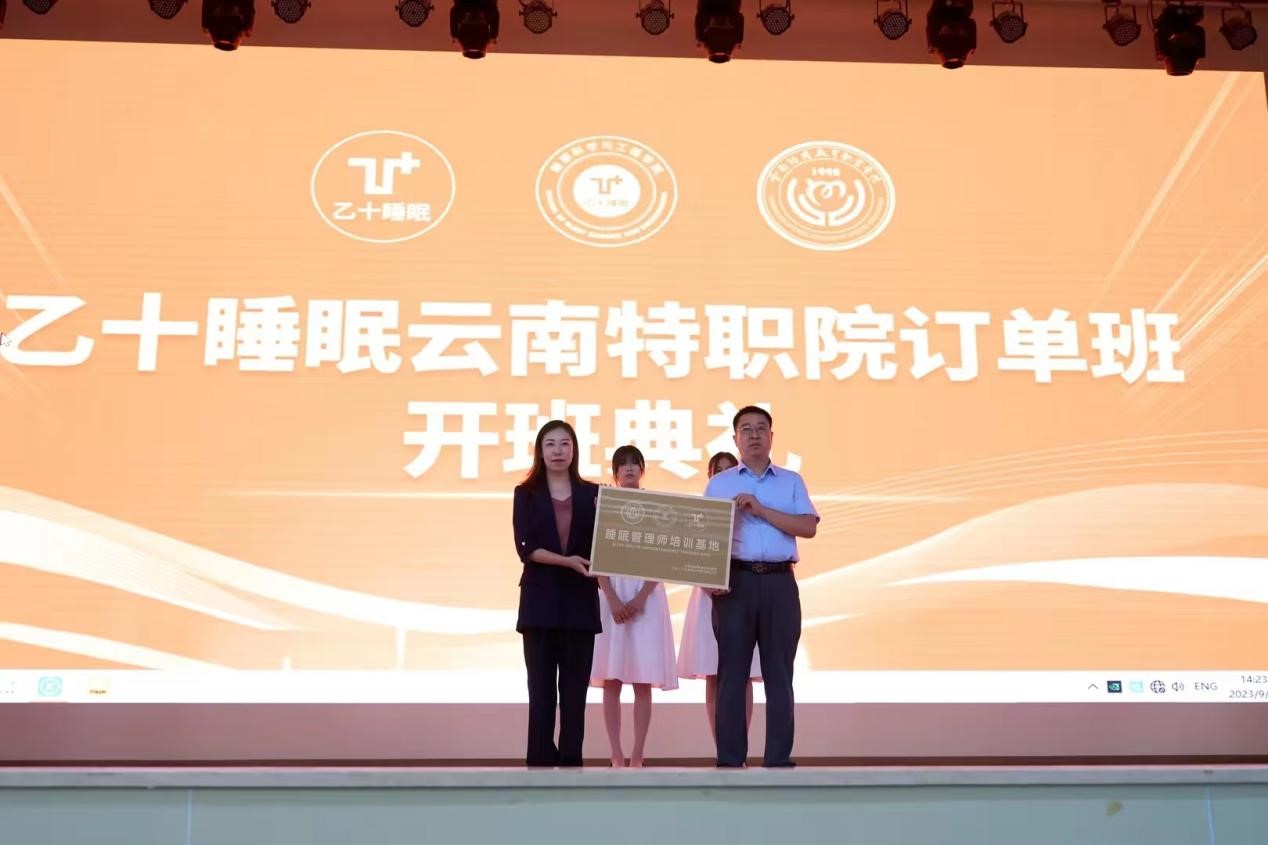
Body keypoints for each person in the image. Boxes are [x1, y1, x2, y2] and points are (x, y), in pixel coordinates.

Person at [706, 406, 819, 768]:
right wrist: (709, 580)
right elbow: (705, 538)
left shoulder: (790, 481)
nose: (753, 435)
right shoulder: (720, 484)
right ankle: (729, 760)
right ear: (735, 438)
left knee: (779, 674)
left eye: (760, 428)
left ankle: (778, 760)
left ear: (771, 436)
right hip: (735, 585)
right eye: (746, 429)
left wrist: (761, 509)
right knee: (731, 675)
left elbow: (808, 527)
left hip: (779, 583)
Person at [512, 420, 600, 767]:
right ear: (540, 451)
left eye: (565, 444)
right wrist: (567, 561)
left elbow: (609, 542)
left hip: (580, 602)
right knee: (541, 690)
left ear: (574, 450)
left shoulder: (594, 494)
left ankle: (571, 762)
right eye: (550, 444)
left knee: (575, 692)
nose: (558, 451)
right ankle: (539, 761)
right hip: (540, 602)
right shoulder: (526, 493)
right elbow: (526, 547)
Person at [589, 445, 678, 768]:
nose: (628, 469)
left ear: (642, 469)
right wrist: (612, 598)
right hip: (611, 595)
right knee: (611, 679)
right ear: (615, 473)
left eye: (634, 464)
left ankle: (638, 753)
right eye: (622, 464)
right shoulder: (603, 505)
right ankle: (615, 753)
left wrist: (640, 598)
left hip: (648, 599)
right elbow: (596, 555)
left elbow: (664, 557)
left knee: (643, 678)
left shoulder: (657, 508)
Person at [676, 451, 761, 739]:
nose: (724, 475)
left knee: (742, 674)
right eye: (718, 470)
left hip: (743, 595)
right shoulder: (698, 513)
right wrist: (707, 583)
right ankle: (721, 747)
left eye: (729, 470)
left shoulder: (750, 512)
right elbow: (687, 556)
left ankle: (741, 747)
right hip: (707, 599)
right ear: (710, 477)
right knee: (713, 674)